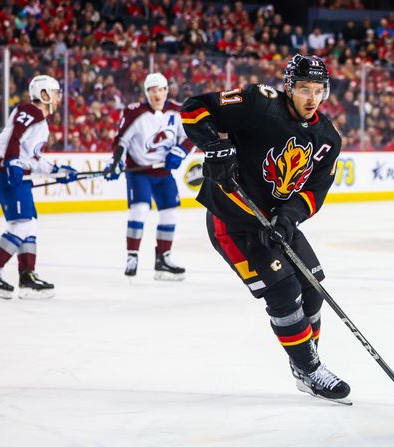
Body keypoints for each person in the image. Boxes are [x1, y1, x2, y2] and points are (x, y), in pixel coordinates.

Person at [180, 55, 350, 403]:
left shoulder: (327, 137)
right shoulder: (260, 103)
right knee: (285, 292)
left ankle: (306, 365)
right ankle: (310, 368)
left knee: (313, 288)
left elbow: (313, 192)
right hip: (234, 222)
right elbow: (195, 108)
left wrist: (287, 219)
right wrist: (215, 145)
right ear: (289, 88)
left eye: (318, 90)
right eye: (304, 89)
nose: (312, 98)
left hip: (276, 224)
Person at [0, 75, 78, 300]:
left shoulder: (41, 122)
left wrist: (57, 170)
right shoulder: (31, 111)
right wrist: (12, 161)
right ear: (44, 94)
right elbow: (14, 137)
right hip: (6, 173)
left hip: (11, 174)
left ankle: (27, 277)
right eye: (56, 92)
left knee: (29, 224)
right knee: (21, 224)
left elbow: (31, 159)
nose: (59, 96)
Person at [103, 72, 193, 281]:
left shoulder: (177, 111)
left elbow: (190, 136)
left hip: (163, 172)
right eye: (153, 90)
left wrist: (179, 152)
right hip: (140, 172)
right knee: (140, 210)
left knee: (170, 211)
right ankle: (132, 256)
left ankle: (163, 260)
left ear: (166, 91)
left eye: (161, 89)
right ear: (146, 93)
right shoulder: (135, 113)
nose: (157, 94)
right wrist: (115, 163)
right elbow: (121, 141)